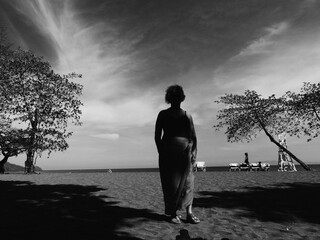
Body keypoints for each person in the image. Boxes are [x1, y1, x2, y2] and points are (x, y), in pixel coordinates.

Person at [155, 85, 200, 224]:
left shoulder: (187, 115)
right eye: (173, 97)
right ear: (170, 98)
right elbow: (157, 136)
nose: (176, 99)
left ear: (182, 98)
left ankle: (189, 213)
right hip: (168, 153)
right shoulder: (163, 114)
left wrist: (194, 153)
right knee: (171, 185)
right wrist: (161, 151)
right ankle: (173, 213)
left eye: (178, 96)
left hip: (185, 152)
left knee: (189, 182)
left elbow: (193, 136)